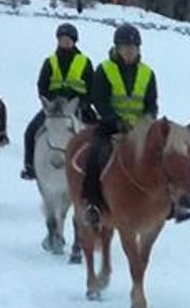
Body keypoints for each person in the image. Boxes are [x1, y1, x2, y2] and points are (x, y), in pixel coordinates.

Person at [79, 23, 158, 223]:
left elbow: (151, 103)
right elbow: (99, 100)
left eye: (133, 47)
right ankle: (93, 204)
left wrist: (147, 121)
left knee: (164, 154)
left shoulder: (147, 73)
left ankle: (169, 203)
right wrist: (116, 121)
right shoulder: (104, 70)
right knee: (95, 153)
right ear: (117, 48)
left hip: (140, 130)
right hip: (111, 126)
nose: (129, 51)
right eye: (125, 47)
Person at [20, 22, 94, 179]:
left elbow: (91, 86)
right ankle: (30, 167)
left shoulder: (84, 62)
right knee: (31, 130)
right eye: (62, 39)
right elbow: (42, 84)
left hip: (77, 105)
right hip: (54, 107)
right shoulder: (50, 61)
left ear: (74, 41)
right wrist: (48, 103)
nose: (65, 42)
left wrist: (84, 103)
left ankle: (94, 169)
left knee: (97, 133)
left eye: (68, 39)